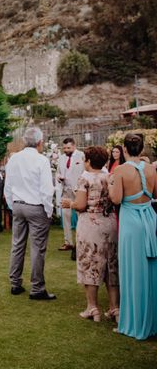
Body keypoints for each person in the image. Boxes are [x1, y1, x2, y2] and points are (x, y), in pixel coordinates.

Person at [108, 133, 157, 340]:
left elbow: (117, 199)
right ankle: (152, 320)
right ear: (142, 148)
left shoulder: (120, 170)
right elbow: (154, 195)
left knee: (131, 271)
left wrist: (110, 185)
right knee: (150, 271)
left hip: (130, 222)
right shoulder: (151, 169)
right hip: (150, 218)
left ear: (125, 149)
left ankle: (133, 323)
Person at [61, 146, 119, 323]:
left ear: (88, 161)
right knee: (111, 264)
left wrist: (68, 203)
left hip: (90, 224)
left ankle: (92, 308)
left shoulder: (84, 178)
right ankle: (114, 308)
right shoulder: (109, 177)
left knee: (90, 262)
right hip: (109, 223)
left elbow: (80, 204)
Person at [5, 127, 56, 300]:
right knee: (37, 248)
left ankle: (15, 283)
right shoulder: (41, 160)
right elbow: (46, 189)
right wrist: (49, 210)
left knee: (17, 245)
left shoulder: (14, 158)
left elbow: (8, 184)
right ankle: (37, 288)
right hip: (36, 206)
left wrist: (12, 204)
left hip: (18, 205)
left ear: (25, 141)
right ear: (40, 142)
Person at [56, 137, 85, 251]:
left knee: (80, 217)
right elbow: (58, 171)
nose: (66, 150)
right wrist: (58, 177)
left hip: (78, 191)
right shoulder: (62, 158)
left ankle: (81, 242)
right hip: (65, 190)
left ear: (74, 146)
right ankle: (68, 242)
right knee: (66, 217)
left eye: (68, 148)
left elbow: (85, 172)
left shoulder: (81, 156)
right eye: (64, 148)